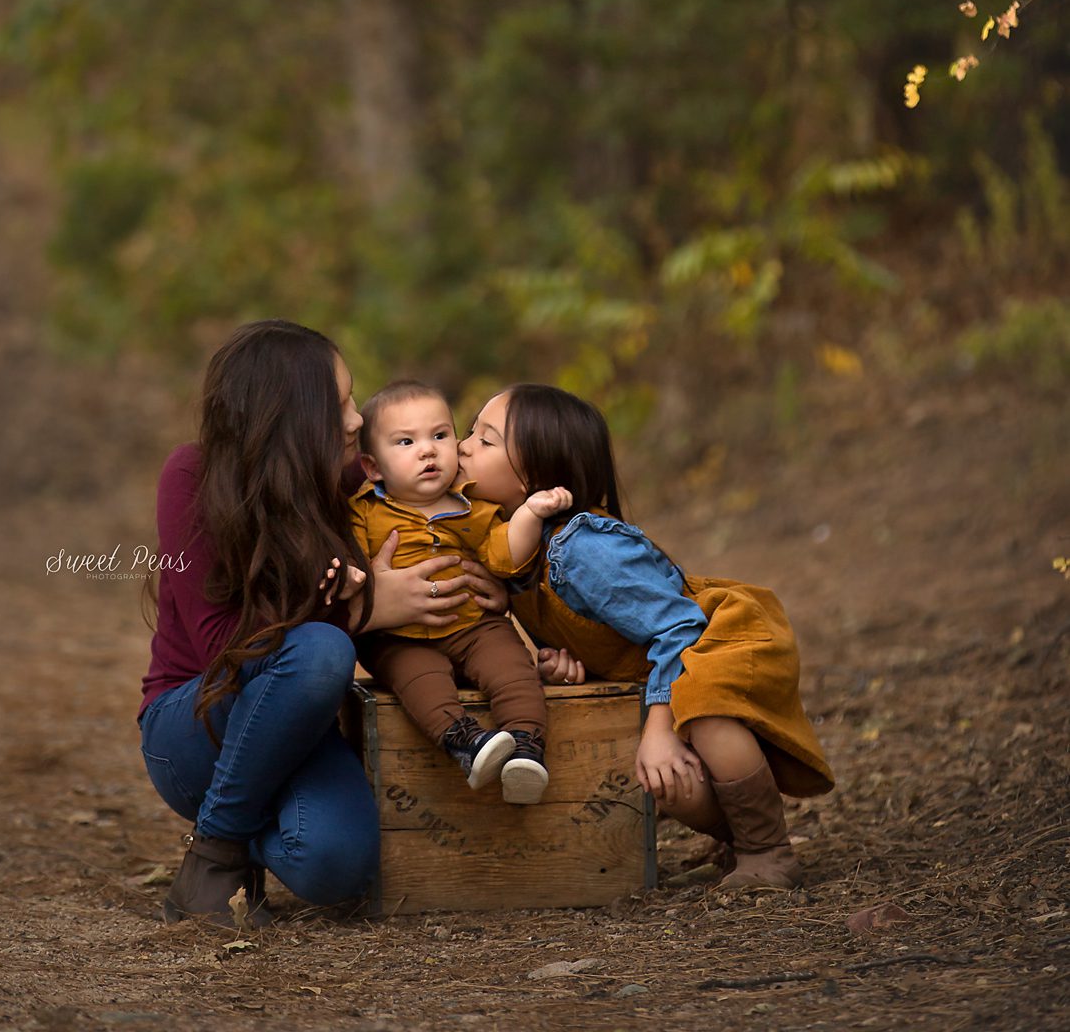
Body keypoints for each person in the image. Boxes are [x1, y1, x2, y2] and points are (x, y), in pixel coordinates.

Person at [137, 320, 506, 927]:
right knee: (321, 650)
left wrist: (500, 580)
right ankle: (215, 855)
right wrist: (364, 609)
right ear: (294, 417)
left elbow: (465, 508)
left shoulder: (356, 480)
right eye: (341, 405)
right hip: (194, 724)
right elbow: (217, 645)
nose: (358, 419)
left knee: (337, 867)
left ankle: (241, 827)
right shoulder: (192, 477)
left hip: (295, 729)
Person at [457, 383, 835, 892]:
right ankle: (742, 840)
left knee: (706, 714)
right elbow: (602, 628)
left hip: (714, 639)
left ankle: (769, 851)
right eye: (469, 432)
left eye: (484, 440)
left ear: (536, 479)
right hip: (664, 666)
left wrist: (660, 730)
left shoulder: (583, 551)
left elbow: (680, 629)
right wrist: (566, 661)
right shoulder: (514, 551)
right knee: (667, 780)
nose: (462, 446)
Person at [350, 380, 570, 804]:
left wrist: (529, 514)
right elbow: (352, 563)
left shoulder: (473, 506)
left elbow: (504, 555)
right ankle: (465, 741)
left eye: (439, 435)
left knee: (512, 669)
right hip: (399, 635)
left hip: (473, 625)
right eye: (406, 442)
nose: (427, 451)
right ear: (373, 468)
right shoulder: (363, 512)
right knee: (419, 681)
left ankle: (525, 746)